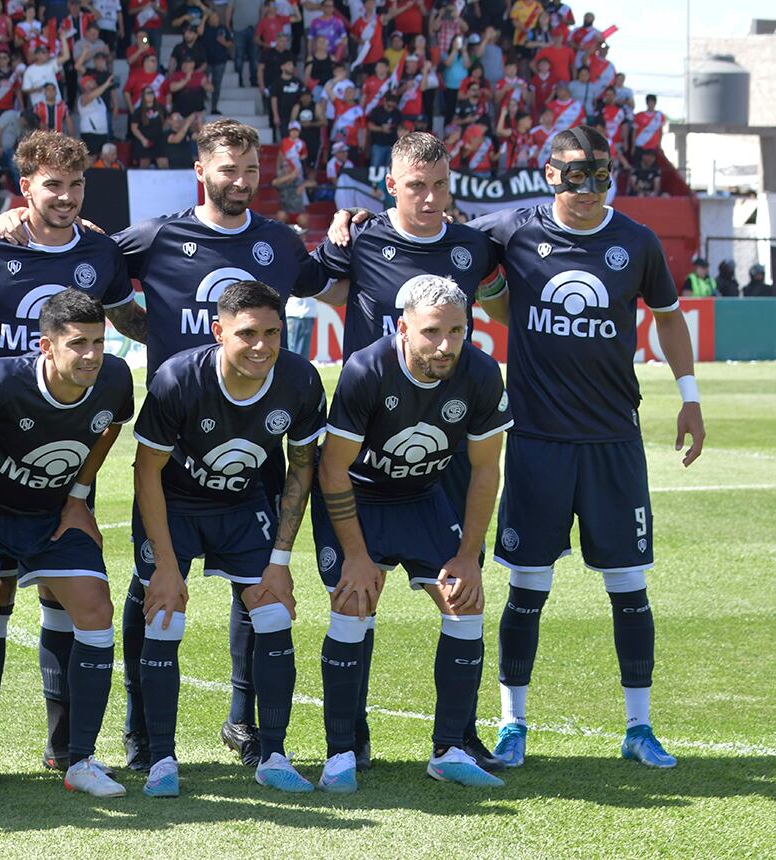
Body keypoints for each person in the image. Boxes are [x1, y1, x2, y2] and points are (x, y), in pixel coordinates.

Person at [0, 119, 331, 772]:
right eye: (227, 169)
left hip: (255, 443)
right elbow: (89, 266)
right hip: (174, 443)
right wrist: (28, 222)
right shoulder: (157, 236)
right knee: (153, 588)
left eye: (250, 170)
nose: (240, 181)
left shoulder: (281, 243)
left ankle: (246, 723)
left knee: (253, 585)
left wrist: (345, 231)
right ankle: (142, 734)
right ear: (201, 172)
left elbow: (336, 281)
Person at [469, 126, 705, 770]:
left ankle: (639, 727)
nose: (587, 187)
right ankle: (512, 725)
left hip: (612, 442)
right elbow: (434, 228)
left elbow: (668, 316)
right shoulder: (513, 231)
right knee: (528, 587)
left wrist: (690, 396)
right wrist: (355, 224)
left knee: (629, 587)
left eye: (599, 174)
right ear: (550, 175)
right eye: (575, 174)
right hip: (539, 443)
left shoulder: (636, 241)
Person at [0, 130, 143, 784]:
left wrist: (79, 497)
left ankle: (70, 752)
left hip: (57, 467)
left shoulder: (101, 252)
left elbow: (117, 382)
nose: (65, 197)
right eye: (52, 185)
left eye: (75, 185)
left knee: (74, 605)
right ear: (25, 188)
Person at [312, 132, 506, 773]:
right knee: (354, 596)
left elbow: (486, 472)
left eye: (439, 186)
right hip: (364, 452)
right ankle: (347, 746)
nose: (428, 198)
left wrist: (470, 556)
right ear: (390, 185)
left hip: (434, 465)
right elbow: (314, 282)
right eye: (414, 185)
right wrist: (334, 231)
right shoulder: (360, 239)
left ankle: (455, 742)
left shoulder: (473, 246)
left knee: (462, 593)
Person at [131, 279, 325, 797]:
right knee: (165, 616)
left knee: (273, 610)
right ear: (219, 332)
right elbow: (145, 471)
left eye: (272, 333)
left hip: (242, 505)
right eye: (247, 334)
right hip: (175, 506)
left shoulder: (300, 381)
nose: (262, 345)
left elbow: (302, 468)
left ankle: (274, 754)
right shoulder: (178, 380)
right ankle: (161, 758)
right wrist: (168, 568)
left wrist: (280, 560)